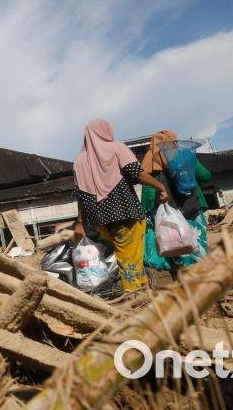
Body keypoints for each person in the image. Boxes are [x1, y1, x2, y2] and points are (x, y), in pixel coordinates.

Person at [72, 119, 169, 293]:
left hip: (100, 220)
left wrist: (81, 221)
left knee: (130, 254)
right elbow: (136, 173)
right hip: (125, 214)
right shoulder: (117, 148)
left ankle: (145, 289)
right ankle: (131, 295)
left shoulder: (79, 160)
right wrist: (160, 187)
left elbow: (79, 194)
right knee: (128, 257)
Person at [140, 130, 212, 272]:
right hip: (191, 211)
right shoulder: (184, 156)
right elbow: (205, 176)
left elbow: (147, 202)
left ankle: (182, 282)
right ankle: (202, 281)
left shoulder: (147, 165)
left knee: (175, 251)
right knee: (196, 250)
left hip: (167, 219)